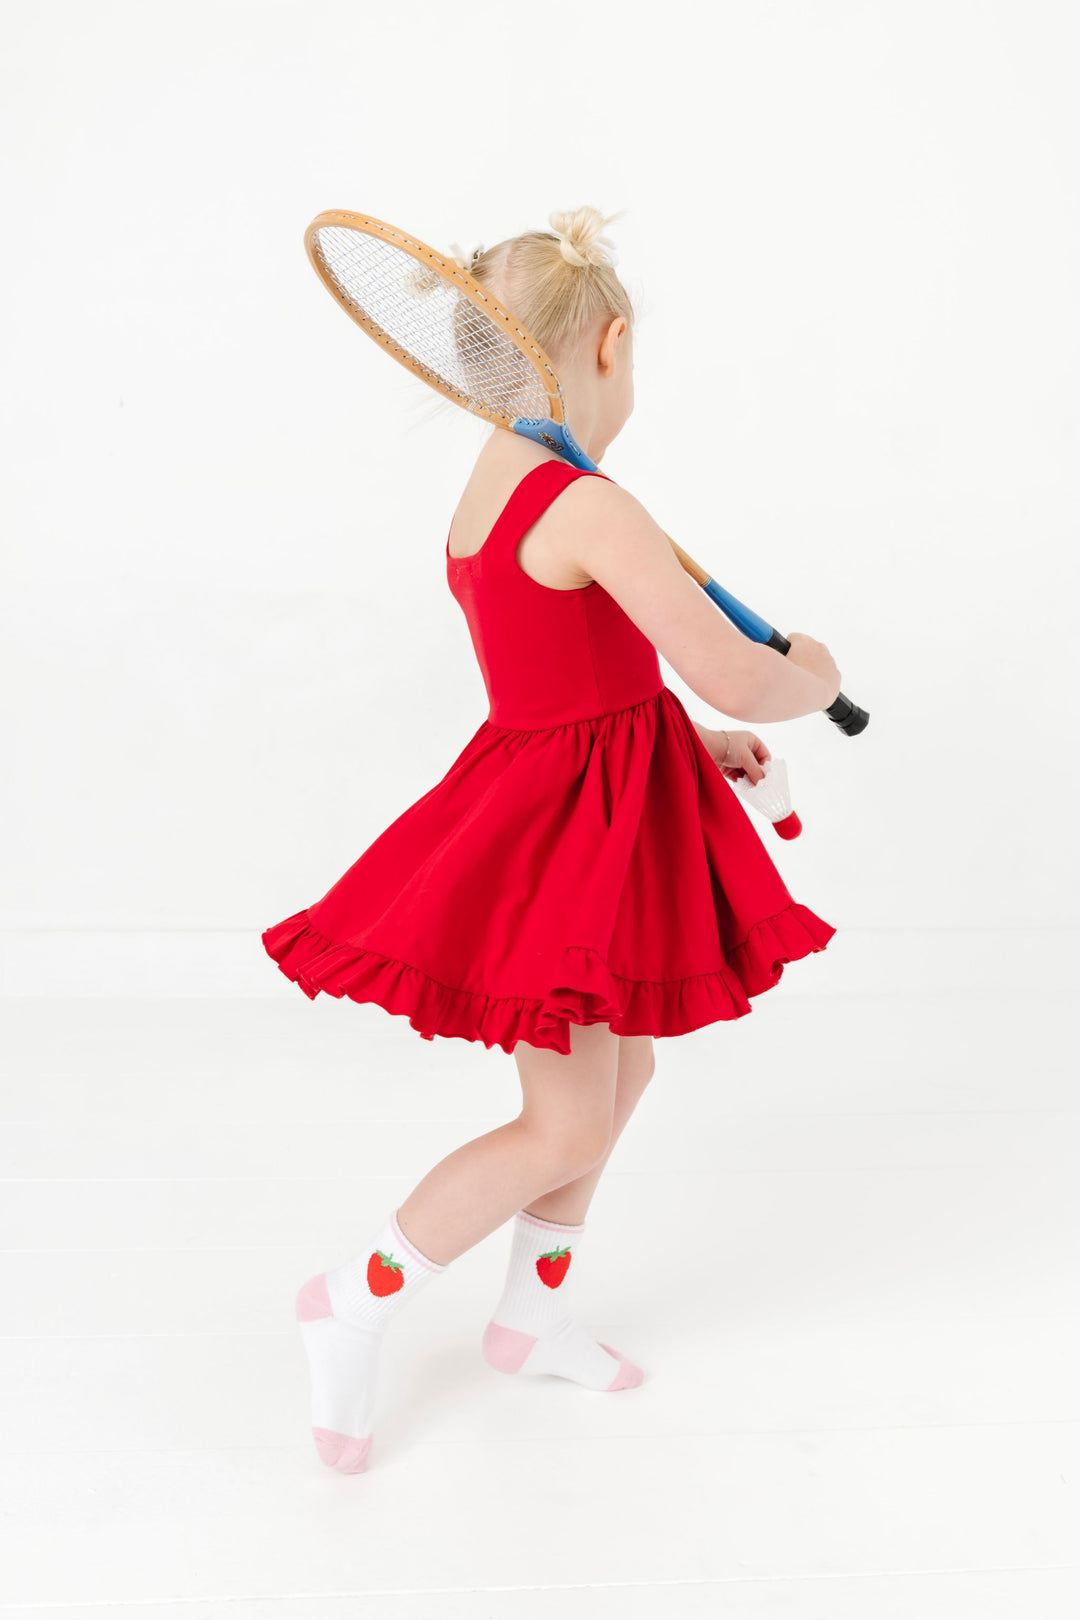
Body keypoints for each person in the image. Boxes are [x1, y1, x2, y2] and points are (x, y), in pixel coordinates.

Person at [263, 205, 842, 1474]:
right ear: (611, 344)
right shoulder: (589, 504)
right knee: (568, 1123)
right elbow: (741, 674)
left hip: (598, 804)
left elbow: (589, 679)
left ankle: (531, 1319)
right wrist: (808, 674)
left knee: (621, 1080)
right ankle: (353, 1298)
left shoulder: (492, 492)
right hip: (570, 838)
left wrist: (695, 745)